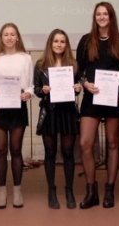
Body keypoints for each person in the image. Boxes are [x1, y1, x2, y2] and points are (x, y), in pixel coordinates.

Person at [76, 1, 119, 209]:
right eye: (98, 14)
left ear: (111, 17)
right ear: (94, 17)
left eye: (105, 14)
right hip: (92, 97)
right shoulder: (86, 40)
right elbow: (78, 71)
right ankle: (91, 190)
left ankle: (110, 190)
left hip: (114, 98)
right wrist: (85, 83)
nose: (102, 17)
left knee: (113, 144)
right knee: (85, 143)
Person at [0, 23, 33, 209]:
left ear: (18, 37)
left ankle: (18, 191)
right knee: (1, 150)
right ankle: (2, 191)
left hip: (18, 106)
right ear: (1, 38)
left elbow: (30, 85)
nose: (9, 37)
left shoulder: (26, 58)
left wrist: (28, 93)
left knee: (16, 149)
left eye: (13, 34)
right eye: (6, 34)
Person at [34, 29, 81, 209]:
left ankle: (69, 191)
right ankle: (51, 191)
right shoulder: (41, 65)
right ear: (50, 44)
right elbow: (36, 89)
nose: (59, 44)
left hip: (68, 112)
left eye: (62, 41)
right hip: (50, 112)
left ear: (66, 44)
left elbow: (77, 88)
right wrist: (42, 91)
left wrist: (77, 88)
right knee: (50, 153)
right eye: (56, 41)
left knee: (68, 153)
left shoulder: (73, 64)